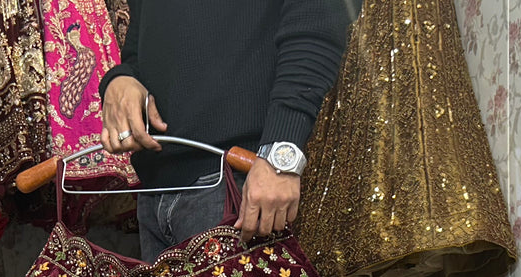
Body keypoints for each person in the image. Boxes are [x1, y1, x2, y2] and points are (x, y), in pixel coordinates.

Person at [98, 0, 357, 262]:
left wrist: (281, 150)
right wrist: (120, 78)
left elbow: (316, 23)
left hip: (239, 183)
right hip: (155, 192)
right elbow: (143, 41)